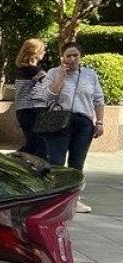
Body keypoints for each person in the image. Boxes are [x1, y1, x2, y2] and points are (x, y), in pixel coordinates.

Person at [44, 41, 105, 213]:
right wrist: (61, 76)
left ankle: (73, 201)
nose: (72, 59)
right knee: (56, 162)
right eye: (68, 55)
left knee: (77, 163)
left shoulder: (90, 74)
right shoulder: (53, 72)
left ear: (80, 57)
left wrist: (99, 122)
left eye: (75, 55)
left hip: (83, 121)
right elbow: (48, 96)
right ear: (62, 57)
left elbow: (98, 100)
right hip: (59, 119)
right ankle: (53, 200)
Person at [14, 38, 49, 159]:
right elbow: (49, 85)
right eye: (42, 50)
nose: (44, 53)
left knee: (32, 144)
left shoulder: (21, 69)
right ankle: (14, 160)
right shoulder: (33, 70)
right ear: (35, 52)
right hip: (33, 111)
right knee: (40, 148)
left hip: (22, 111)